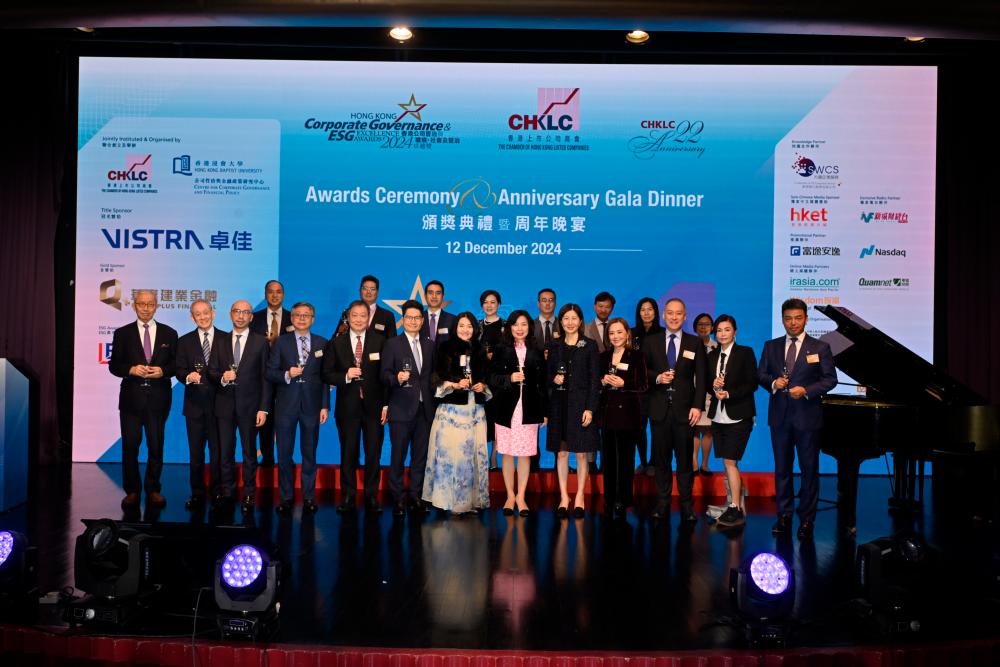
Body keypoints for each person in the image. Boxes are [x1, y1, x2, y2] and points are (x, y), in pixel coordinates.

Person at [757, 298, 837, 538]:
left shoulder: (820, 347)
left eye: (798, 318)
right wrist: (772, 382)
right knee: (782, 469)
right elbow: (760, 374)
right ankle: (784, 515)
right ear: (783, 319)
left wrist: (807, 391)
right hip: (779, 418)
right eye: (788, 318)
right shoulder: (771, 346)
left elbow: (829, 379)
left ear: (806, 319)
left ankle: (807, 520)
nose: (793, 323)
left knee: (809, 470)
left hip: (807, 417)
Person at [108, 289, 177, 509]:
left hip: (158, 398)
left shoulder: (169, 333)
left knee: (156, 445)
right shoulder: (122, 333)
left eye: (150, 304)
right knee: (130, 446)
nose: (145, 308)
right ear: (134, 306)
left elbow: (177, 365)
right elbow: (114, 365)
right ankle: (132, 490)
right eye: (141, 304)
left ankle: (153, 488)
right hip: (131, 399)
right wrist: (130, 369)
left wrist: (163, 371)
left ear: (156, 306)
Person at [643, 297, 706, 522]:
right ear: (663, 315)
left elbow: (702, 377)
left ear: (685, 316)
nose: (674, 317)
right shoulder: (651, 341)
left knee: (684, 461)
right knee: (661, 460)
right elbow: (643, 372)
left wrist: (698, 406)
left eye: (678, 313)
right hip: (658, 409)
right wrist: (657, 378)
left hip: (685, 411)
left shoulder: (694, 342)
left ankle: (687, 506)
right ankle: (662, 503)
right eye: (670, 313)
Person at [322, 300, 388, 513]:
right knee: (348, 453)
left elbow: (386, 376)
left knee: (373, 453)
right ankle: (348, 496)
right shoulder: (336, 343)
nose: (359, 320)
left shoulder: (380, 341)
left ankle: (371, 496)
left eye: (363, 315)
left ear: (368, 318)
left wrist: (386, 405)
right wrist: (346, 376)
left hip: (374, 407)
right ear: (348, 318)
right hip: (347, 408)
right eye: (355, 316)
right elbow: (326, 373)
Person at [423, 312, 491, 514]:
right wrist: (453, 384)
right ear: (455, 327)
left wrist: (482, 386)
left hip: (475, 411)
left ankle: (469, 501)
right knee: (451, 456)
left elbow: (488, 379)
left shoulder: (480, 350)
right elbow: (435, 380)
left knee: (471, 456)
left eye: (469, 326)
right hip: (452, 412)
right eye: (461, 325)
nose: (465, 329)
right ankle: (449, 501)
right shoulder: (444, 348)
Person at [266, 302, 330, 514]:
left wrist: (325, 406)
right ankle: (286, 497)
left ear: (313, 319)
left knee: (309, 454)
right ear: (291, 318)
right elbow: (270, 372)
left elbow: (324, 378)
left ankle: (309, 497)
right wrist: (287, 374)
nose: (302, 318)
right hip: (286, 406)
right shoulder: (281, 343)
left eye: (306, 315)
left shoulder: (322, 343)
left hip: (312, 406)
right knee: (284, 454)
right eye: (298, 315)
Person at [209, 300, 271, 510]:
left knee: (249, 453)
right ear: (230, 314)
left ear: (252, 317)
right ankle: (227, 492)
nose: (241, 316)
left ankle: (248, 494)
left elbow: (265, 377)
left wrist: (263, 408)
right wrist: (223, 378)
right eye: (237, 311)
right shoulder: (219, 341)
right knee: (225, 452)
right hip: (224, 405)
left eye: (246, 312)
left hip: (250, 407)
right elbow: (212, 371)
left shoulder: (260, 342)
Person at [382, 300, 437, 515]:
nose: (413, 321)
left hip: (425, 409)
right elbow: (383, 375)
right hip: (401, 409)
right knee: (398, 455)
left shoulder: (430, 344)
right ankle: (397, 497)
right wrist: (396, 377)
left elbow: (432, 376)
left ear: (422, 321)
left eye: (417, 318)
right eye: (409, 317)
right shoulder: (392, 344)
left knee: (420, 456)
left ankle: (415, 495)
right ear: (402, 319)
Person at [490, 310, 548, 516]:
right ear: (510, 327)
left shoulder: (537, 349)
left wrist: (544, 411)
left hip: (529, 407)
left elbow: (543, 383)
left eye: (524, 324)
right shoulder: (501, 348)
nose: (520, 328)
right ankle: (510, 495)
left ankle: (521, 496)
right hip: (506, 408)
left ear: (529, 327)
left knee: (524, 454)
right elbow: (492, 378)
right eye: (516, 324)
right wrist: (509, 378)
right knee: (506, 452)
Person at [546, 303, 601, 518]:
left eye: (574, 318)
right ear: (561, 321)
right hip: (559, 405)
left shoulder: (589, 345)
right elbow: (547, 376)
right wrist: (553, 378)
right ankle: (563, 496)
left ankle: (579, 496)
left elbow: (594, 380)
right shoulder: (555, 345)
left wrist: (590, 408)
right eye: (566, 318)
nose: (570, 323)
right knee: (561, 453)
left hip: (580, 406)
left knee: (580, 453)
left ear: (580, 321)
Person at [706, 314, 758, 528]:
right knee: (728, 463)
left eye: (727, 329)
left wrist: (729, 394)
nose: (723, 334)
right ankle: (734, 503)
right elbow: (710, 387)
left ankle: (735, 507)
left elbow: (752, 384)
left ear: (735, 332)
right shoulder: (711, 356)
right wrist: (715, 386)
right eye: (719, 330)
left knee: (730, 462)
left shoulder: (745, 353)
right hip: (718, 416)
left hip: (739, 415)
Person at [174, 299, 223, 509]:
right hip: (194, 406)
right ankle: (196, 493)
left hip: (220, 405)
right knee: (195, 454)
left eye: (206, 312)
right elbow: (178, 370)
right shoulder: (184, 341)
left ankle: (218, 492)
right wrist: (187, 376)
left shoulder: (226, 339)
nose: (202, 317)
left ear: (213, 313)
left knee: (218, 453)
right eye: (197, 314)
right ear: (191, 317)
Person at [598, 318, 648, 519]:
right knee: (608, 460)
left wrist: (623, 383)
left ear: (627, 333)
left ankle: (623, 499)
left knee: (626, 460)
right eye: (612, 333)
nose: (615, 336)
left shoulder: (637, 356)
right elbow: (596, 382)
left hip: (628, 414)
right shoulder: (603, 356)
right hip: (608, 415)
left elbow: (644, 385)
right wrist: (603, 381)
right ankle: (609, 498)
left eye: (619, 332)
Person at [251, 280, 291, 467]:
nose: (274, 295)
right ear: (265, 294)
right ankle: (267, 459)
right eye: (270, 292)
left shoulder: (294, 317)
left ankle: (285, 460)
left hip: (286, 377)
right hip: (259, 377)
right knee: (264, 419)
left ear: (283, 294)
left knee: (285, 421)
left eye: (279, 292)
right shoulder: (254, 318)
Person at [631, 297, 662, 476]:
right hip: (638, 389)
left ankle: (654, 463)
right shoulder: (632, 333)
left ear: (656, 312)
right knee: (639, 428)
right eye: (643, 310)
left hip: (658, 388)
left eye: (650, 309)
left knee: (657, 428)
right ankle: (642, 462)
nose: (647, 313)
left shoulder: (663, 333)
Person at [478, 289, 504, 469]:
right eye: (486, 302)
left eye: (493, 302)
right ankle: (481, 457)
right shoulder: (476, 326)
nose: (489, 305)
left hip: (499, 382)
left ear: (499, 305)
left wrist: (494, 357)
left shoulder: (506, 327)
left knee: (497, 420)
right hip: (479, 380)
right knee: (482, 419)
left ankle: (494, 457)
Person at [692, 312, 718, 476]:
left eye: (707, 324)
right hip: (692, 392)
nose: (703, 327)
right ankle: (694, 464)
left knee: (708, 430)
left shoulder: (718, 346)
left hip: (711, 393)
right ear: (695, 327)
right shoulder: (690, 344)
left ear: (712, 327)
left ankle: (705, 465)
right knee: (693, 429)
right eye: (700, 324)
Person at [335, 275, 398, 339]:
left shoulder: (388, 316)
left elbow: (393, 344)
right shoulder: (347, 312)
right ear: (360, 290)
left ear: (377, 292)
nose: (368, 292)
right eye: (365, 288)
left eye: (372, 289)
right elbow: (336, 339)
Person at [421, 280, 456, 344]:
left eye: (438, 293)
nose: (434, 296)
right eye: (430, 293)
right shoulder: (418, 318)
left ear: (443, 296)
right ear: (425, 296)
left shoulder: (453, 319)